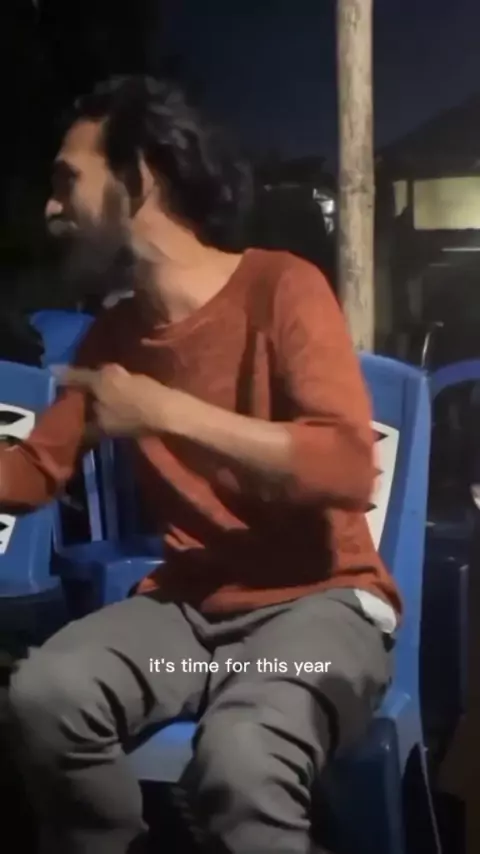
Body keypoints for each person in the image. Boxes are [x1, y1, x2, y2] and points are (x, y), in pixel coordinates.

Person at [5, 75, 400, 854]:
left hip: (320, 608)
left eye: (67, 180)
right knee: (46, 695)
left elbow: (348, 467)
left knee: (243, 759)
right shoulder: (114, 336)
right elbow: (30, 473)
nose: (51, 209)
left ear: (139, 178)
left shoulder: (281, 286)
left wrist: (164, 411)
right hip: (185, 619)